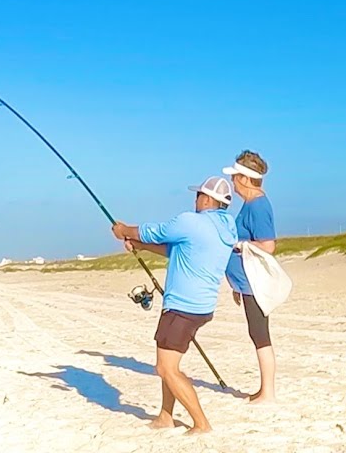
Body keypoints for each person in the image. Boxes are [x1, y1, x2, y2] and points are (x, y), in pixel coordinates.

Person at [111, 175, 238, 435]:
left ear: (207, 199)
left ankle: (201, 423)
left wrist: (124, 231)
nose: (195, 200)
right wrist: (140, 246)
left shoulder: (190, 222)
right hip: (201, 306)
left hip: (182, 306)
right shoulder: (226, 228)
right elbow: (175, 249)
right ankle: (165, 417)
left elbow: (154, 231)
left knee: (165, 368)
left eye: (198, 195)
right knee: (170, 364)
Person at [222, 150, 278, 404]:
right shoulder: (250, 204)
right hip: (245, 282)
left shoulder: (258, 205)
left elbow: (268, 245)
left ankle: (268, 393)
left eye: (235, 177)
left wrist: (238, 245)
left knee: (260, 333)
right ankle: (264, 389)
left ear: (245, 178)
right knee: (256, 332)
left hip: (254, 281)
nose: (232, 182)